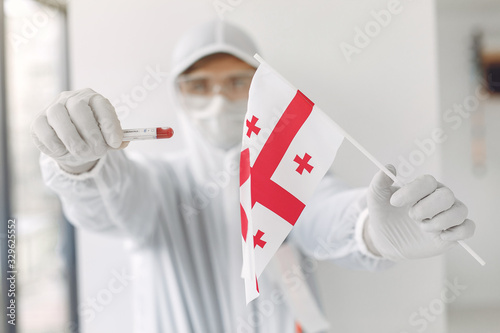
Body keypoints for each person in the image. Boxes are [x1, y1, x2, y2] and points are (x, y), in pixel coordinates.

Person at [30, 20, 475, 333]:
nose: (219, 99)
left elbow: (322, 212)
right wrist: (80, 164)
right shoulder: (156, 180)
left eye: (238, 81)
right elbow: (111, 205)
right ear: (177, 93)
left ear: (261, 84)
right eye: (199, 84)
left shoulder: (286, 171)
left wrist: (372, 231)